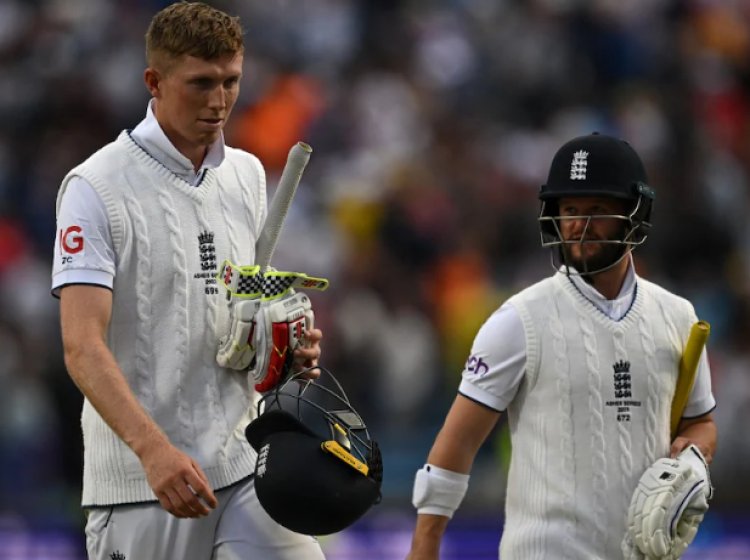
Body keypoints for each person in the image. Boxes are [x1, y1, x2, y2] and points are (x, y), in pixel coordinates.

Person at [52, 3, 326, 559]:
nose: (219, 101)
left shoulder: (246, 174)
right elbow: (81, 347)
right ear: (153, 82)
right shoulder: (93, 187)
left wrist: (288, 345)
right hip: (141, 485)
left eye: (231, 82)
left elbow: (243, 304)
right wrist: (154, 452)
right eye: (201, 83)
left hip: (245, 463)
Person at [406, 133, 717, 559]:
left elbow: (701, 423)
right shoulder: (519, 321)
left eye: (596, 211)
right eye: (569, 210)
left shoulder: (678, 317)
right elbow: (456, 445)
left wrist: (694, 457)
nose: (577, 225)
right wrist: (424, 546)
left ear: (634, 215)